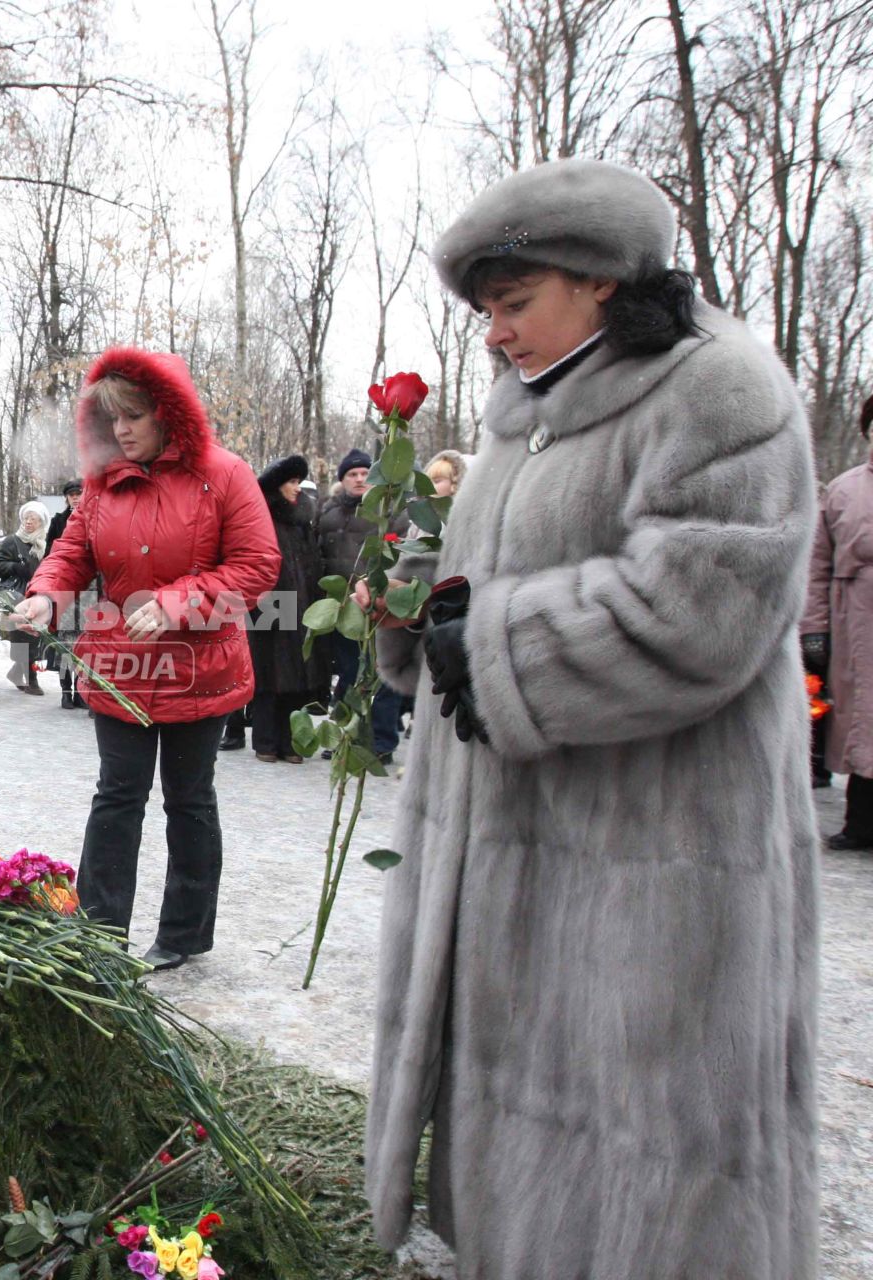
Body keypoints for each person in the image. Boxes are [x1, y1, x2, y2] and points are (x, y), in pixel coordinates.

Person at [361, 159, 819, 1277]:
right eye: (484, 312)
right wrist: (420, 603)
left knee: (654, 1161)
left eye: (515, 305)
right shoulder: (527, 414)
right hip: (523, 859)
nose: (494, 334)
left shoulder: (723, 389)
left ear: (604, 279)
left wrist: (504, 641)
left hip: (657, 865)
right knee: (526, 1150)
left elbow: (704, 604)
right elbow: (493, 577)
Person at [13, 348, 278, 971]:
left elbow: (257, 566)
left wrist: (177, 602)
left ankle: (184, 934)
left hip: (199, 667)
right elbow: (72, 552)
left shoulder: (225, 474)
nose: (121, 431)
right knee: (116, 796)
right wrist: (46, 596)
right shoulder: (102, 483)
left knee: (189, 799)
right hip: (121, 666)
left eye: (133, 416)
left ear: (167, 411)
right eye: (110, 421)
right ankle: (99, 935)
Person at [804, 394, 873, 846]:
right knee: (862, 720)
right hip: (856, 626)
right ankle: (861, 824)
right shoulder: (843, 490)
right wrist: (814, 631)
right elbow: (816, 567)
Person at [318, 447, 408, 762]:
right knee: (347, 675)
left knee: (382, 675)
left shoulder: (390, 513)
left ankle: (381, 742)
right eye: (352, 474)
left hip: (381, 608)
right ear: (342, 479)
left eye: (364, 474)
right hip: (343, 609)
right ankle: (343, 736)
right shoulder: (328, 514)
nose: (359, 479)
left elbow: (403, 556)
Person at [247, 456, 326, 762]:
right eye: (290, 482)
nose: (296, 488)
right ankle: (265, 741)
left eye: (298, 482)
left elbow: (311, 561)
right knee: (268, 675)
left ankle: (291, 742)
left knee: (297, 677)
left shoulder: (302, 519)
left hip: (302, 605)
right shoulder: (260, 517)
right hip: (269, 604)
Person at [0, 501, 51, 694]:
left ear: (42, 522)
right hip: (17, 595)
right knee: (22, 636)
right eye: (26, 518)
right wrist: (16, 567)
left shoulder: (46, 543)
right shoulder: (12, 541)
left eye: (33, 519)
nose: (28, 522)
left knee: (35, 636)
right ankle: (31, 679)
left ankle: (18, 673)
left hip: (40, 593)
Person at [44, 479, 90, 710]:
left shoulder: (95, 517)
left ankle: (82, 691)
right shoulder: (58, 521)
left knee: (86, 643)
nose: (75, 497)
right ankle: (65, 691)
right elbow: (49, 555)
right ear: (66, 497)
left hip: (90, 590)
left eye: (79, 493)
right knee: (65, 643)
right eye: (71, 494)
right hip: (65, 589)